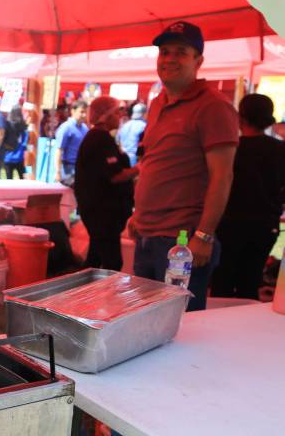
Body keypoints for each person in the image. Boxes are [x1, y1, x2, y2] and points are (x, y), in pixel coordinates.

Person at [128, 21, 239, 311]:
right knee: (143, 323)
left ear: (198, 61)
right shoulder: (157, 103)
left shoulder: (213, 105)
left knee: (178, 329)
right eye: (164, 52)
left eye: (181, 52)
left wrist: (204, 234)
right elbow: (154, 162)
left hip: (181, 242)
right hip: (148, 234)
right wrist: (138, 215)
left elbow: (222, 175)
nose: (169, 59)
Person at [211, 94, 285, 300]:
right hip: (265, 223)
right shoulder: (280, 149)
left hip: (228, 222)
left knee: (222, 280)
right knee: (250, 281)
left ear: (240, 117)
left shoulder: (229, 149)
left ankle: (219, 326)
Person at [75, 96, 138, 270]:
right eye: (117, 112)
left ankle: (83, 293)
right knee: (112, 262)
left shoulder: (99, 138)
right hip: (103, 213)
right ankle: (101, 296)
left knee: (95, 259)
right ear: (107, 116)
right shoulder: (100, 140)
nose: (120, 116)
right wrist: (142, 168)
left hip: (100, 212)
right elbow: (115, 175)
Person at [53, 100, 88, 182]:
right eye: (81, 112)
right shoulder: (66, 128)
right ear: (73, 111)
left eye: (85, 112)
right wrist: (58, 172)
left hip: (80, 167)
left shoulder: (85, 128)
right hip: (67, 168)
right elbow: (59, 150)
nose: (84, 115)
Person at [2, 106, 29, 179]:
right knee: (23, 180)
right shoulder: (24, 126)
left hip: (8, 156)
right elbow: (26, 141)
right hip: (20, 156)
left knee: (9, 180)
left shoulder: (7, 125)